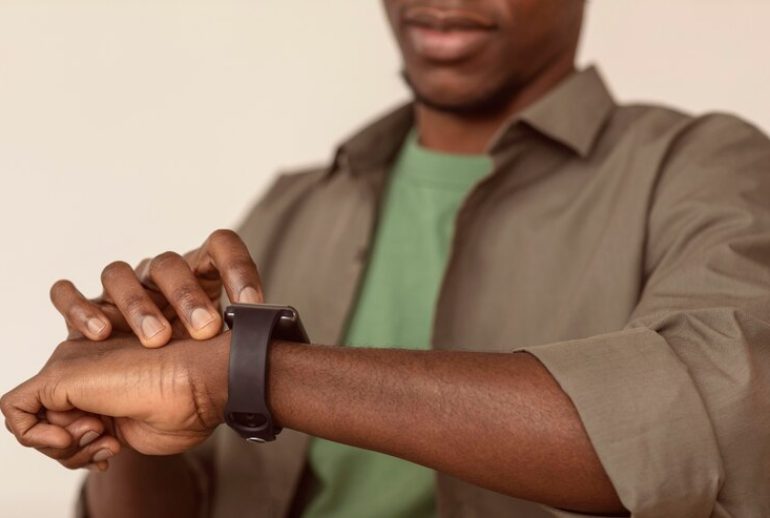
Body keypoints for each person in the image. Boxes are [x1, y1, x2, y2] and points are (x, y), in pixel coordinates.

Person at [3, 0, 770, 516]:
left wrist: (249, 371)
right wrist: (133, 424)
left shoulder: (703, 164)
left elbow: (714, 421)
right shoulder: (294, 204)